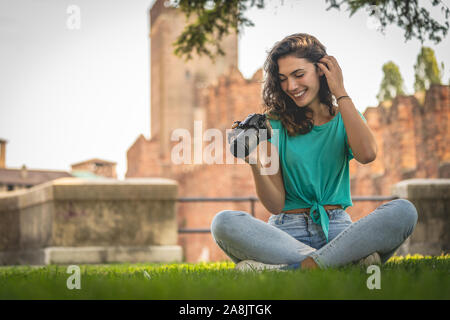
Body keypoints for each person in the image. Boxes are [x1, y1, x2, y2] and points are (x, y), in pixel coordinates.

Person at [210, 33, 418, 271]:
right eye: (283, 79)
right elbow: (276, 205)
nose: (291, 86)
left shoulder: (344, 116)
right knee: (223, 222)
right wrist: (254, 163)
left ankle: (292, 271)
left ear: (322, 70)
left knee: (404, 211)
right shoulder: (272, 124)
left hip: (338, 228)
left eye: (299, 75)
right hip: (286, 234)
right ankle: (340, 265)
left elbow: (368, 154)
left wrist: (340, 90)